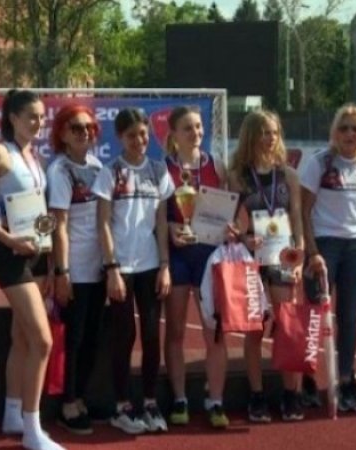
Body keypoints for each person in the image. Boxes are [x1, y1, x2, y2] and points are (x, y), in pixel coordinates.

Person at [0, 90, 64, 450]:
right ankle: (33, 429)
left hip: (37, 254)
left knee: (22, 339)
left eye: (41, 116)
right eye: (31, 116)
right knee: (42, 340)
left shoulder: (35, 157)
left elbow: (39, 212)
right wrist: (7, 239)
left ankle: (12, 412)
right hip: (12, 257)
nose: (38, 122)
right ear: (13, 118)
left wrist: (50, 261)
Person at [91, 108, 173, 434]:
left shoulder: (158, 170)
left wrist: (165, 266)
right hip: (121, 266)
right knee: (124, 336)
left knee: (152, 337)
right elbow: (103, 224)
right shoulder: (110, 172)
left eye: (143, 134)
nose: (139, 141)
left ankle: (150, 403)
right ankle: (122, 406)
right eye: (131, 136)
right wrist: (112, 268)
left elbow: (162, 223)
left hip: (151, 265)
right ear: (119, 137)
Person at [300, 104, 356, 412]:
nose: (350, 133)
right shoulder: (320, 162)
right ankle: (307, 379)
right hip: (324, 247)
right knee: (313, 317)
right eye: (344, 128)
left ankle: (346, 379)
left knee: (348, 318)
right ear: (335, 131)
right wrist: (312, 252)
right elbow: (304, 211)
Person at [228, 109, 304, 422]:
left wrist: (299, 255)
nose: (269, 138)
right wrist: (244, 238)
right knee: (255, 329)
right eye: (263, 132)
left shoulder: (288, 175)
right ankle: (257, 395)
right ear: (250, 136)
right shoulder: (237, 176)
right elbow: (232, 223)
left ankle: (291, 394)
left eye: (274, 132)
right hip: (253, 259)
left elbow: (297, 218)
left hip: (283, 258)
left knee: (288, 328)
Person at [162, 106, 230, 428]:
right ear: (174, 134)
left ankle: (215, 400)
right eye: (188, 128)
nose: (196, 133)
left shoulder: (218, 165)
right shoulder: (163, 169)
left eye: (199, 126)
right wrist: (170, 228)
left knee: (214, 331)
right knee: (175, 331)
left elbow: (231, 209)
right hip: (178, 255)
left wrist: (231, 228)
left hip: (209, 255)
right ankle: (179, 398)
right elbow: (156, 216)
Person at [46, 104, 105, 435]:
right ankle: (67, 403)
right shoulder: (60, 171)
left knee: (92, 337)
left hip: (98, 267)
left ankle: (80, 396)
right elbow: (60, 225)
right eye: (76, 128)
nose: (84, 133)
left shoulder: (97, 166)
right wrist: (63, 272)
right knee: (74, 338)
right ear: (62, 134)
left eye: (89, 128)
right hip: (76, 268)